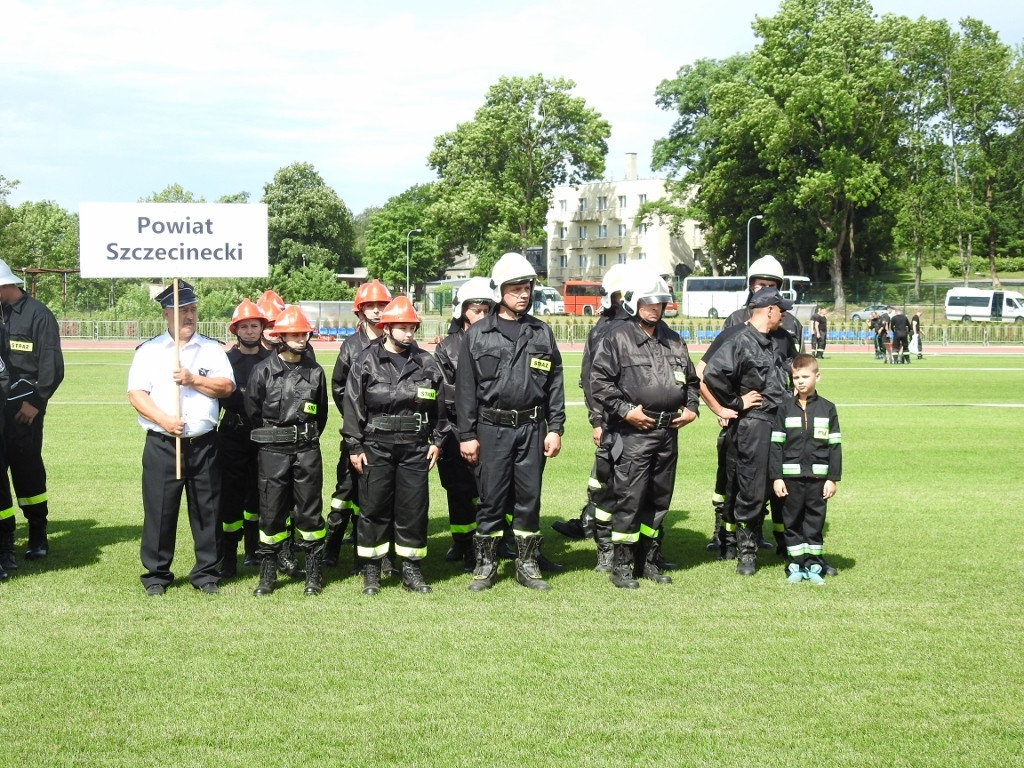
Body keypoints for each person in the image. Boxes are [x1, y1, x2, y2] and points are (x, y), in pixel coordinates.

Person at [456, 252, 565, 591]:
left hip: (532, 428)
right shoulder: (478, 335)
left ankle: (527, 563)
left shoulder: (541, 333)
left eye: (527, 287)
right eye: (515, 288)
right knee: (491, 497)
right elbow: (465, 390)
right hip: (491, 430)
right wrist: (466, 435)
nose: (523, 294)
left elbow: (555, 385)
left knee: (529, 497)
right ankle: (486, 565)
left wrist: (556, 428)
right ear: (499, 290)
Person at [590, 270, 700, 588]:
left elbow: (691, 381)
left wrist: (692, 408)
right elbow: (600, 382)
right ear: (635, 303)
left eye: (660, 303)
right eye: (649, 302)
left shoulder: (674, 340)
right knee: (629, 498)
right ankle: (621, 566)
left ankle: (648, 561)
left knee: (659, 499)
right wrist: (625, 412)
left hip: (668, 433)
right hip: (633, 433)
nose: (655, 308)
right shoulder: (617, 338)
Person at [127, 280, 235, 596]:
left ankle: (206, 573)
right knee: (160, 511)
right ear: (166, 314)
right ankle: (157, 575)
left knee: (208, 509)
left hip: (204, 443)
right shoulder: (149, 351)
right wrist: (164, 420)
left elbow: (226, 388)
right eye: (182, 310)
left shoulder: (212, 349)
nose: (189, 316)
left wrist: (193, 379)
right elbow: (136, 394)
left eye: (192, 309)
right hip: (163, 443)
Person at [701, 255, 802, 556]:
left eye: (771, 285)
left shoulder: (788, 329)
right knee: (731, 480)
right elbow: (705, 372)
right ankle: (724, 536)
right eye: (760, 284)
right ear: (751, 286)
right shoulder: (734, 324)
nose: (764, 289)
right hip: (740, 420)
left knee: (771, 479)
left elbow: (796, 371)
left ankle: (757, 533)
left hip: (772, 419)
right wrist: (723, 408)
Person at [343, 296, 443, 595]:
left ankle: (411, 569)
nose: (409, 334)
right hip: (376, 446)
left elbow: (441, 407)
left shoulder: (427, 362)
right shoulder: (365, 361)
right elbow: (353, 406)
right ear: (387, 328)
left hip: (414, 447)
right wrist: (354, 446)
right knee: (374, 508)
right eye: (402, 328)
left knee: (413, 509)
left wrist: (437, 440)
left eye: (412, 328)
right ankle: (372, 571)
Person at [549, 262, 633, 574]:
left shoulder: (639, 326)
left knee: (626, 487)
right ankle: (604, 547)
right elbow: (591, 378)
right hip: (614, 422)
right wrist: (598, 420)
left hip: (641, 424)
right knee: (605, 486)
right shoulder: (606, 329)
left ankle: (629, 550)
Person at [244, 305, 329, 597]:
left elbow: (322, 416)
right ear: (280, 336)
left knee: (310, 512)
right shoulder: (262, 371)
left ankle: (314, 572)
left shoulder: (315, 372)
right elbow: (253, 412)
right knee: (271, 512)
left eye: (304, 334)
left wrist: (301, 436)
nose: (301, 339)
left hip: (306, 449)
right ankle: (268, 573)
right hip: (272, 450)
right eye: (294, 334)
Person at [324, 278, 392, 572]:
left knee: (381, 497)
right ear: (360, 311)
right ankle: (332, 549)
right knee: (345, 493)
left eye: (382, 306)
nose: (377, 312)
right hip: (357, 434)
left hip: (387, 435)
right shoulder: (351, 347)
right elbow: (339, 388)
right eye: (371, 306)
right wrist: (355, 422)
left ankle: (381, 555)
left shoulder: (396, 343)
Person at [0, 259, 64, 563]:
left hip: (24, 408)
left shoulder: (38, 315)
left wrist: (35, 403)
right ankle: (6, 542)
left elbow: (52, 366)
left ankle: (38, 533)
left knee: (27, 470)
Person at [434, 277, 494, 572]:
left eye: (486, 309)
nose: (481, 315)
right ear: (462, 312)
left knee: (492, 489)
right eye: (476, 309)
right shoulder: (447, 348)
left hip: (492, 427)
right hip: (456, 430)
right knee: (458, 490)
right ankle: (462, 542)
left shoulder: (496, 340)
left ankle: (495, 542)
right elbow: (445, 394)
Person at [770, 353, 842, 584]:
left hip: (818, 478)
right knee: (792, 520)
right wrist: (777, 477)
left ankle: (813, 562)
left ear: (817, 377)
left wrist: (832, 477)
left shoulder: (828, 408)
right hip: (791, 478)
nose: (800, 381)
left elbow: (835, 446)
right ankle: (796, 564)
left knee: (815, 520)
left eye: (805, 376)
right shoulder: (784, 408)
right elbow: (776, 446)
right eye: (796, 377)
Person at [216, 298, 271, 577]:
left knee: (258, 495)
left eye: (255, 325)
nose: (250, 331)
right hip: (232, 435)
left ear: (262, 328)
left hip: (261, 435)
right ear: (235, 330)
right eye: (244, 326)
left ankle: (254, 549)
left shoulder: (271, 360)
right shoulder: (224, 361)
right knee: (231, 496)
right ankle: (228, 556)